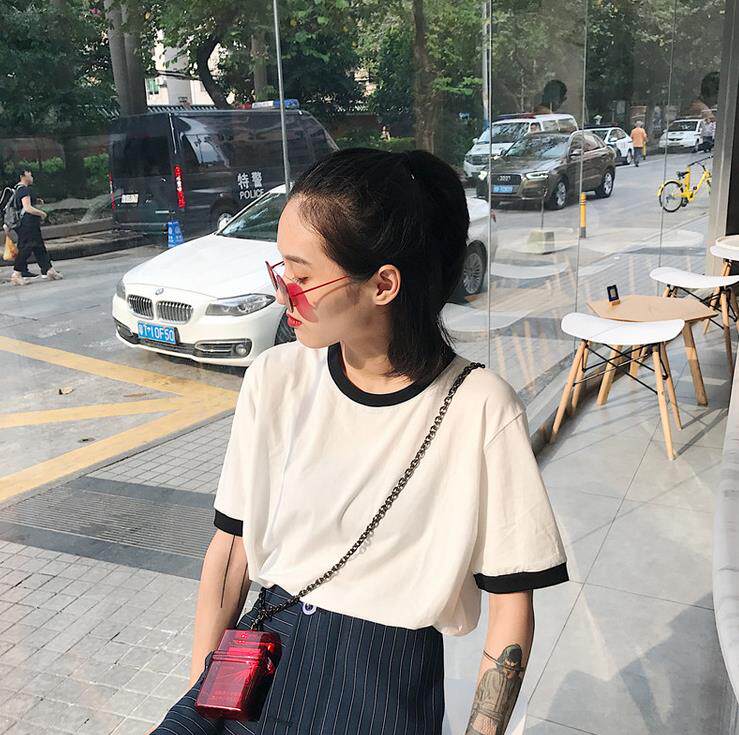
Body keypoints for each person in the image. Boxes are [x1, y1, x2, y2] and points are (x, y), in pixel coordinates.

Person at [149, 148, 568, 735]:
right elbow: (232, 547)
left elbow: (511, 602)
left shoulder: (478, 407)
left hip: (384, 685)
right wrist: (200, 695)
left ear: (383, 285)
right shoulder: (276, 379)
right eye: (281, 270)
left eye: (301, 277)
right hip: (259, 652)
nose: (282, 293)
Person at [10, 169, 62, 286]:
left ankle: (49, 270)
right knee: (26, 248)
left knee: (39, 247)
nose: (32, 176)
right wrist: (42, 213)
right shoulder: (23, 190)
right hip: (28, 224)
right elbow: (27, 208)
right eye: (30, 174)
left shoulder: (18, 189)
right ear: (23, 176)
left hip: (29, 224)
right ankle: (16, 274)